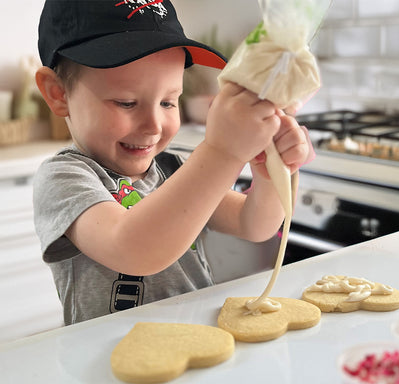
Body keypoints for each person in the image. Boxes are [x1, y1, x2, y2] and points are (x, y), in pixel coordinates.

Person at [34, 0, 313, 325]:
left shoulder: (172, 169)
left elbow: (255, 224)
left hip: (196, 345)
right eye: (126, 102)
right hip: (109, 364)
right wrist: (222, 152)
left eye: (169, 101)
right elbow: (133, 249)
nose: (153, 125)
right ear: (58, 94)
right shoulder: (65, 179)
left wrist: (272, 171)